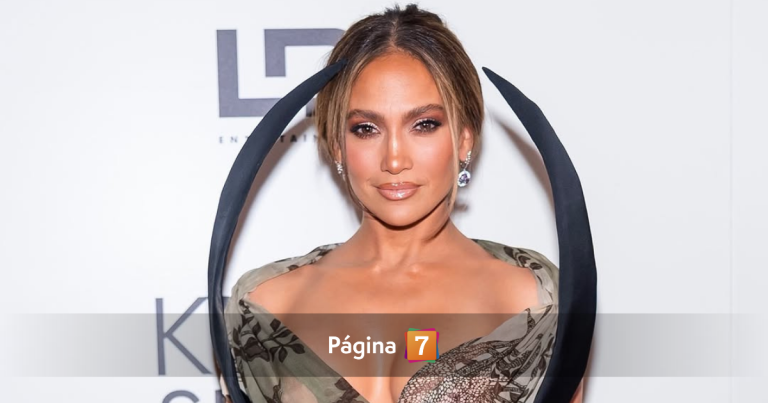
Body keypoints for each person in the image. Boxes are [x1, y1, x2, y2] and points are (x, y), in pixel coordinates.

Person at [217, 4, 587, 403]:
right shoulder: (266, 303)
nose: (394, 159)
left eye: (424, 124)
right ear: (337, 145)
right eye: (366, 128)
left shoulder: (536, 299)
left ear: (464, 140)